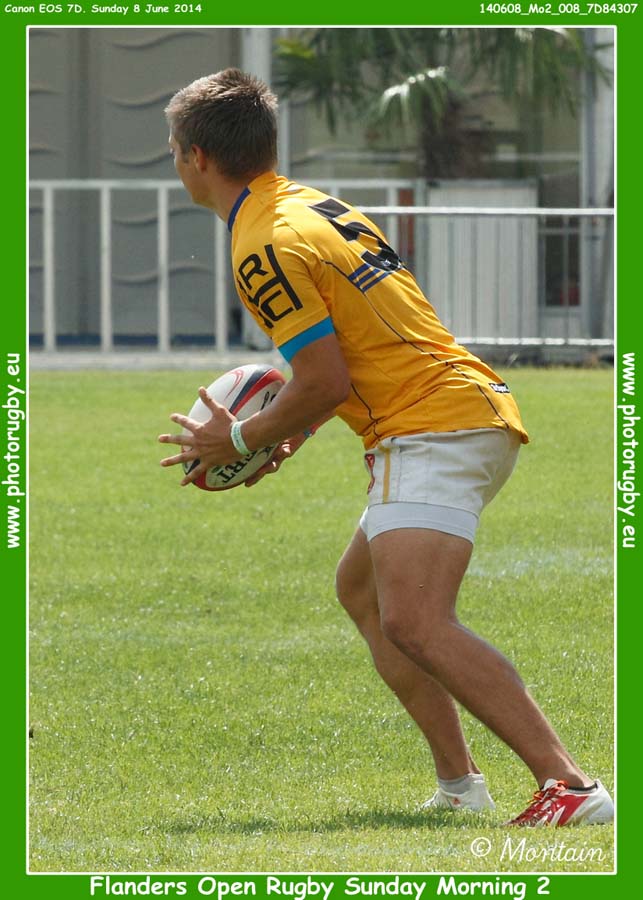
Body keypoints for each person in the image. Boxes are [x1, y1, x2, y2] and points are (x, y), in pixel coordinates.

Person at [159, 68, 613, 827]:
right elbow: (355, 349)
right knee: (365, 594)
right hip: (451, 408)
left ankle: (569, 787)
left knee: (415, 619)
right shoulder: (312, 207)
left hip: (433, 425)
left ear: (197, 157)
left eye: (174, 149)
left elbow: (325, 379)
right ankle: (460, 786)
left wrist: (236, 436)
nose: (175, 162)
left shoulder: (260, 243)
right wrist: (288, 427)